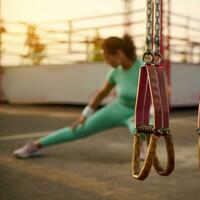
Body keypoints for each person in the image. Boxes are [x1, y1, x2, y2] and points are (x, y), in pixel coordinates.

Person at [13, 34, 148, 159]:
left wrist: (147, 113)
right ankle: (35, 146)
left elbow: (161, 93)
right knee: (79, 128)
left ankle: (142, 145)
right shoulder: (114, 72)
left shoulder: (143, 67)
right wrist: (85, 115)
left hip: (142, 112)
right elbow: (101, 94)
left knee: (138, 129)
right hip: (118, 109)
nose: (106, 62)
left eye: (107, 57)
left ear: (118, 53)